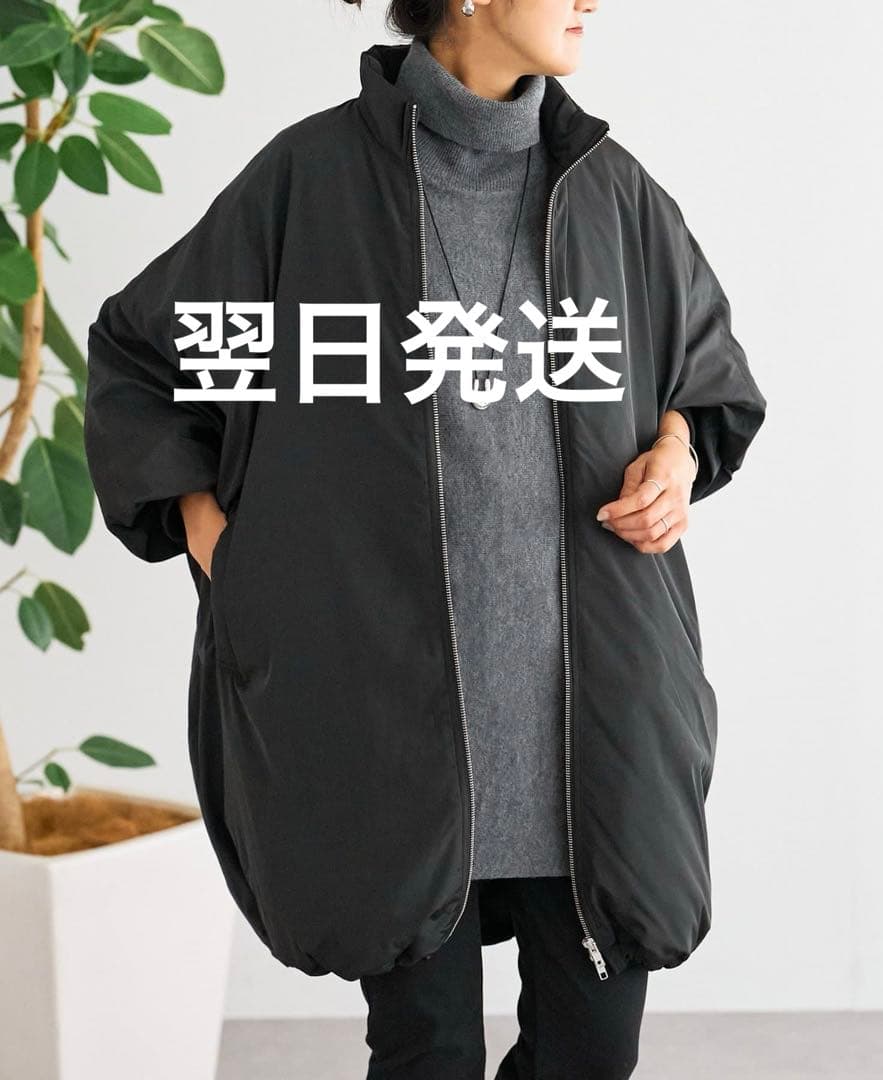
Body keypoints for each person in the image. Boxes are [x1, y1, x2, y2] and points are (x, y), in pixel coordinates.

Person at [83, 1, 767, 1077]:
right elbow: (140, 356)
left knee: (592, 1053)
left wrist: (675, 455)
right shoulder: (311, 180)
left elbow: (704, 375)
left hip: (591, 719)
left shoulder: (610, 187)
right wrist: (223, 545)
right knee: (426, 1054)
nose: (592, 0)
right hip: (388, 723)